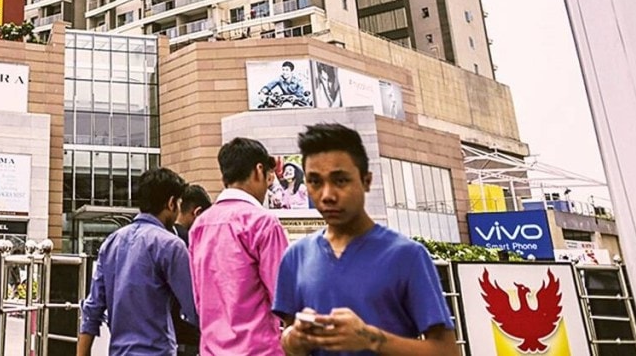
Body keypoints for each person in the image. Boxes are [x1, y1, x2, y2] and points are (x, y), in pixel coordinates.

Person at [275, 124, 458, 356]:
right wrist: (295, 339)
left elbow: (447, 351)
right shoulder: (296, 256)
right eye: (315, 182)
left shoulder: (408, 256)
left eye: (340, 180)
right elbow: (288, 337)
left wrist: (371, 339)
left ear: (367, 180)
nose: (327, 195)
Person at [78, 167, 197, 356]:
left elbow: (92, 310)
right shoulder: (171, 245)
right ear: (171, 203)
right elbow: (194, 308)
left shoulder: (111, 243)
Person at [189, 137, 288, 356]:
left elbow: (198, 298)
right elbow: (285, 297)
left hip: (211, 350)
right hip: (259, 350)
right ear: (259, 170)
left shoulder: (200, 225)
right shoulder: (263, 223)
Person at [172, 185, 211, 355]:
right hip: (189, 334)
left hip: (166, 332)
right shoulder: (193, 242)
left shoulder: (163, 237)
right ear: (198, 212)